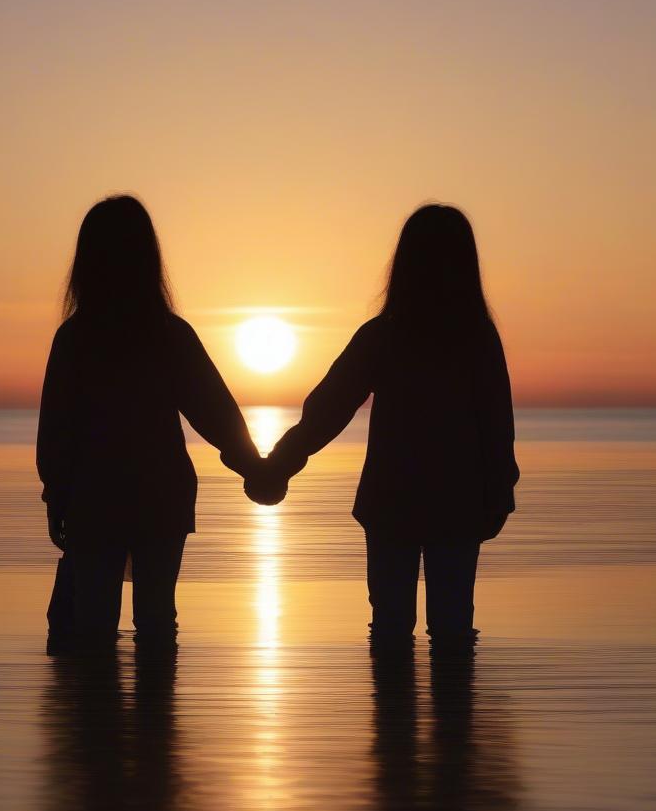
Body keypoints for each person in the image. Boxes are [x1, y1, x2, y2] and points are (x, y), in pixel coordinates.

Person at [247, 204, 518, 646]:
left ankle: (396, 712)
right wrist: (500, 492)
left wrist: (279, 463)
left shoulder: (386, 336)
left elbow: (327, 411)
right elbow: (497, 425)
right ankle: (452, 712)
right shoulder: (475, 339)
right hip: (456, 502)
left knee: (391, 627)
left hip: (394, 502)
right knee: (452, 628)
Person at [37, 195, 260, 652]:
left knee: (93, 622)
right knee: (157, 618)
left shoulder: (76, 340)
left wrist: (56, 495)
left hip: (94, 497)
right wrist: (256, 469)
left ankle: (99, 717)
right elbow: (215, 412)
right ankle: (155, 718)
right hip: (161, 496)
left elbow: (56, 431)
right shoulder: (169, 335)